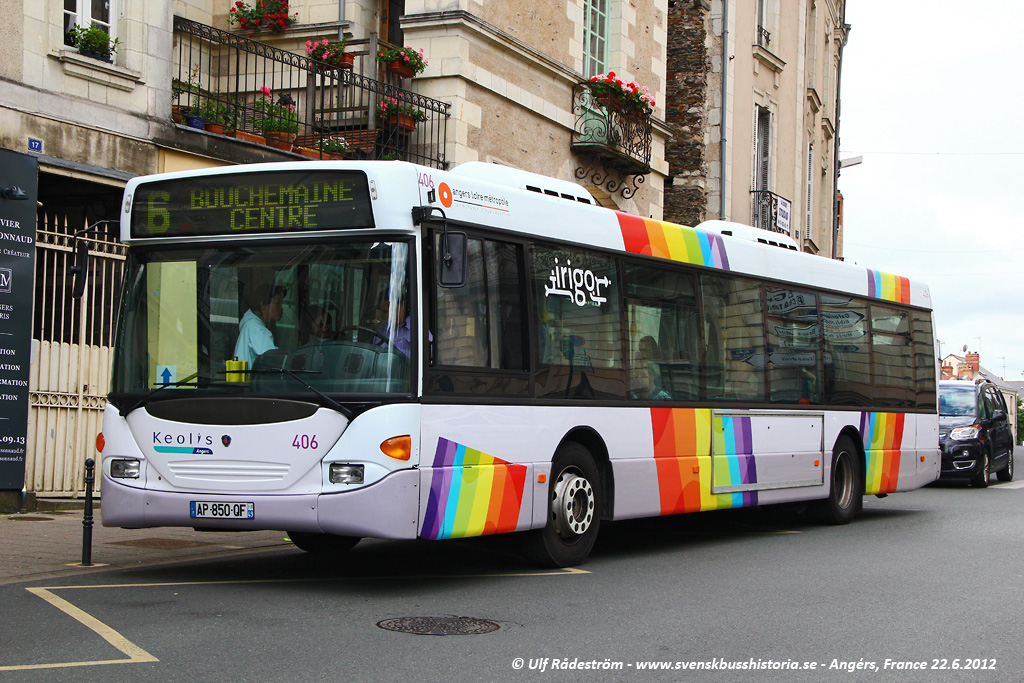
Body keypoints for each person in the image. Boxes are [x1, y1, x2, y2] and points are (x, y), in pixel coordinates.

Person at [234, 284, 286, 365]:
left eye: (281, 304)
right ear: (263, 305)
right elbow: (273, 360)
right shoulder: (255, 327)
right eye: (277, 303)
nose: (281, 308)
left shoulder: (251, 324)